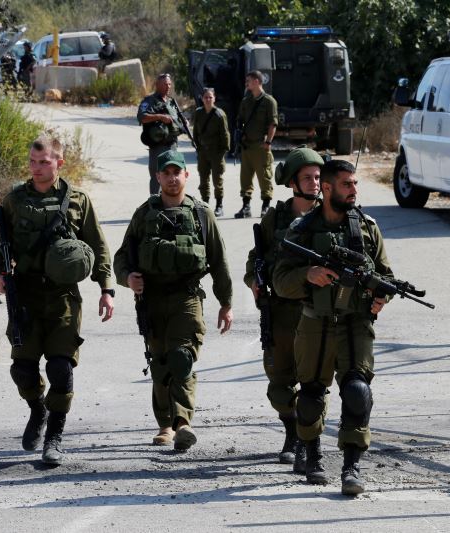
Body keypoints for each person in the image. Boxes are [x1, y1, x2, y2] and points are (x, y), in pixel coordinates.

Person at [272, 159, 393, 496]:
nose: (355, 190)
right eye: (347, 184)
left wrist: (382, 297)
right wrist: (306, 275)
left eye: (355, 184)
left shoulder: (367, 227)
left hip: (356, 323)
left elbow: (386, 274)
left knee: (357, 392)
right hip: (316, 322)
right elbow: (280, 281)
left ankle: (351, 466)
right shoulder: (303, 229)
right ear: (326, 188)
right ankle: (312, 454)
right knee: (310, 397)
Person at [0, 134, 115, 466]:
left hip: (63, 296)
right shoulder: (15, 200)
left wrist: (106, 288)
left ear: (59, 162)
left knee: (61, 368)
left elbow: (98, 245)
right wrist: (0, 272)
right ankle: (38, 409)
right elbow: (2, 243)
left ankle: (55, 438)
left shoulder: (78, 200)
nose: (36, 168)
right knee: (22, 370)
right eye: (32, 162)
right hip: (26, 296)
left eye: (44, 162)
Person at [113, 149, 233, 452]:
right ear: (158, 177)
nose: (171, 177)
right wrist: (128, 279)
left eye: (176, 172)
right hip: (151, 299)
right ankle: (164, 424)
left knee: (182, 358)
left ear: (186, 175)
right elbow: (121, 258)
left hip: (187, 297)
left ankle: (183, 423)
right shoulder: (144, 213)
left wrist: (226, 303)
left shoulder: (201, 214)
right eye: (165, 173)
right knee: (160, 364)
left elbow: (218, 261)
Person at [244, 148, 323, 473]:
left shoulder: (330, 214)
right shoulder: (275, 218)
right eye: (308, 178)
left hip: (316, 312)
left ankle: (307, 444)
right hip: (278, 312)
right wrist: (253, 280)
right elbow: (255, 256)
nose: (315, 183)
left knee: (312, 385)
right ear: (293, 183)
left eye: (318, 177)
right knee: (279, 387)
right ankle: (292, 431)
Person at [234, 70, 278, 219]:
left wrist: (268, 142)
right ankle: (246, 207)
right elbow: (239, 119)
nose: (247, 83)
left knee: (264, 178)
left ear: (257, 82)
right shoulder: (246, 101)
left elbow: (273, 124)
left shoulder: (269, 101)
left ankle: (266, 207)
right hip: (247, 146)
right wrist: (240, 133)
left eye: (249, 81)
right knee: (245, 178)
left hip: (261, 146)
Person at [137, 73, 183, 195]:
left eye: (169, 84)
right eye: (165, 84)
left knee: (173, 177)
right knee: (157, 177)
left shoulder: (172, 102)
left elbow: (177, 119)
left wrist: (184, 123)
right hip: (158, 146)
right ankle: (154, 206)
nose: (168, 87)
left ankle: (171, 205)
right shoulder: (149, 101)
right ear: (157, 85)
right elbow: (142, 117)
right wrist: (160, 117)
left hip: (172, 145)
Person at [193, 88, 230, 217]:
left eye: (210, 97)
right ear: (202, 99)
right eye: (205, 97)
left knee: (217, 180)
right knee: (203, 180)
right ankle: (205, 204)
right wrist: (198, 147)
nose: (208, 100)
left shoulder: (219, 114)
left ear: (214, 98)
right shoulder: (198, 113)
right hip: (203, 151)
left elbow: (225, 134)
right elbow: (195, 133)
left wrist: (223, 152)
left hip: (216, 152)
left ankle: (219, 205)